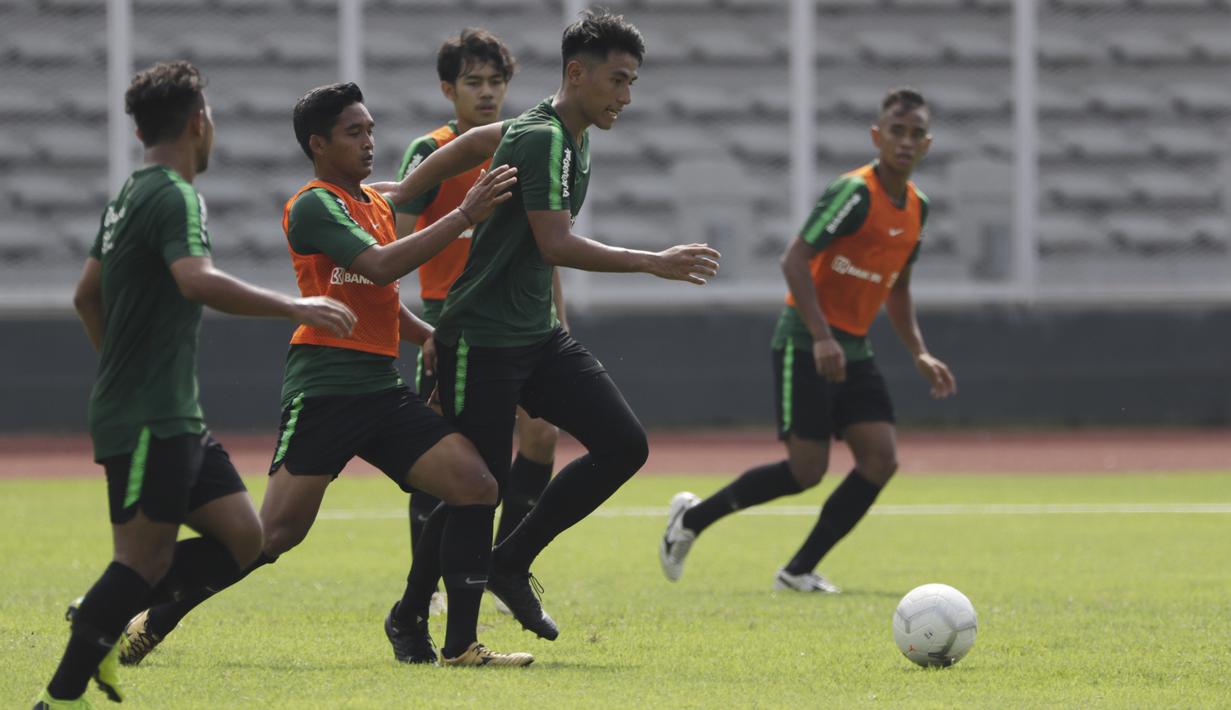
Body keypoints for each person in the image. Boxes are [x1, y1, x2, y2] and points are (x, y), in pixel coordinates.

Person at [119, 82, 531, 669]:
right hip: (325, 392)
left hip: (380, 389)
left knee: (477, 486)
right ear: (317, 144)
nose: (369, 142)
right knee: (272, 538)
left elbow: (377, 295)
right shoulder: (314, 204)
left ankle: (456, 643)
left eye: (370, 130)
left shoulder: (374, 203)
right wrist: (466, 212)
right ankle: (151, 609)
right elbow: (379, 266)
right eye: (353, 132)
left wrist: (426, 335)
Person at [372, 10, 721, 653]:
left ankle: (506, 563)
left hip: (536, 336)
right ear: (577, 73)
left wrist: (409, 186)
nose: (627, 96)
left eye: (632, 82)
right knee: (479, 486)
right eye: (618, 80)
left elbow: (479, 142)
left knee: (624, 445)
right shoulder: (545, 136)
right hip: (480, 337)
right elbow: (554, 243)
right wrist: (653, 261)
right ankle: (452, 639)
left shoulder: (561, 129)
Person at [32, 61, 359, 709]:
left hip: (171, 412)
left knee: (244, 538)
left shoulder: (128, 195)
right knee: (141, 561)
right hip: (150, 416)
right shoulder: (176, 196)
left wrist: (121, 365)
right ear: (197, 124)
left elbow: (86, 295)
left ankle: (104, 611)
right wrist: (295, 306)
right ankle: (62, 695)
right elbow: (196, 279)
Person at [658, 88, 957, 593]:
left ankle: (797, 571)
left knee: (880, 460)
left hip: (854, 346)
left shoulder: (917, 208)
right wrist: (821, 337)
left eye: (915, 134)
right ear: (877, 136)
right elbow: (794, 259)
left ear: (927, 144)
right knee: (806, 470)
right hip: (805, 339)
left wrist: (919, 351)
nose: (906, 142)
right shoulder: (854, 193)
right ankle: (691, 519)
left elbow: (899, 287)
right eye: (896, 131)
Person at [395, 29, 563, 615]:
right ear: (449, 90)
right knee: (446, 460)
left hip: (522, 321)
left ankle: (502, 565)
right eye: (473, 82)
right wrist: (411, 325)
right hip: (454, 324)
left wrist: (559, 323)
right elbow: (392, 241)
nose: (487, 93)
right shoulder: (431, 151)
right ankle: (429, 590)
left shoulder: (525, 145)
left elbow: (544, 244)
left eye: (496, 81)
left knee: (541, 436)